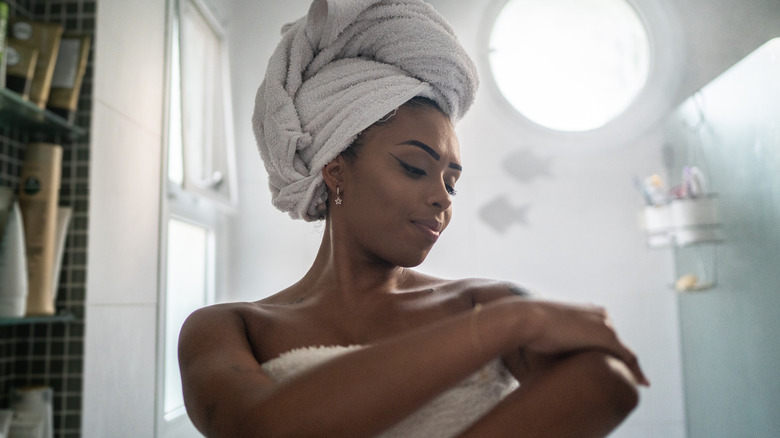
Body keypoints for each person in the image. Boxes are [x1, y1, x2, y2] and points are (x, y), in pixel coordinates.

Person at [178, 1, 649, 437]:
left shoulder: (482, 301)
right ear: (336, 171)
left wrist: (508, 316)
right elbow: (259, 428)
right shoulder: (227, 328)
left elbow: (608, 383)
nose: (442, 198)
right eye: (414, 167)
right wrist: (510, 323)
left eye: (452, 183)